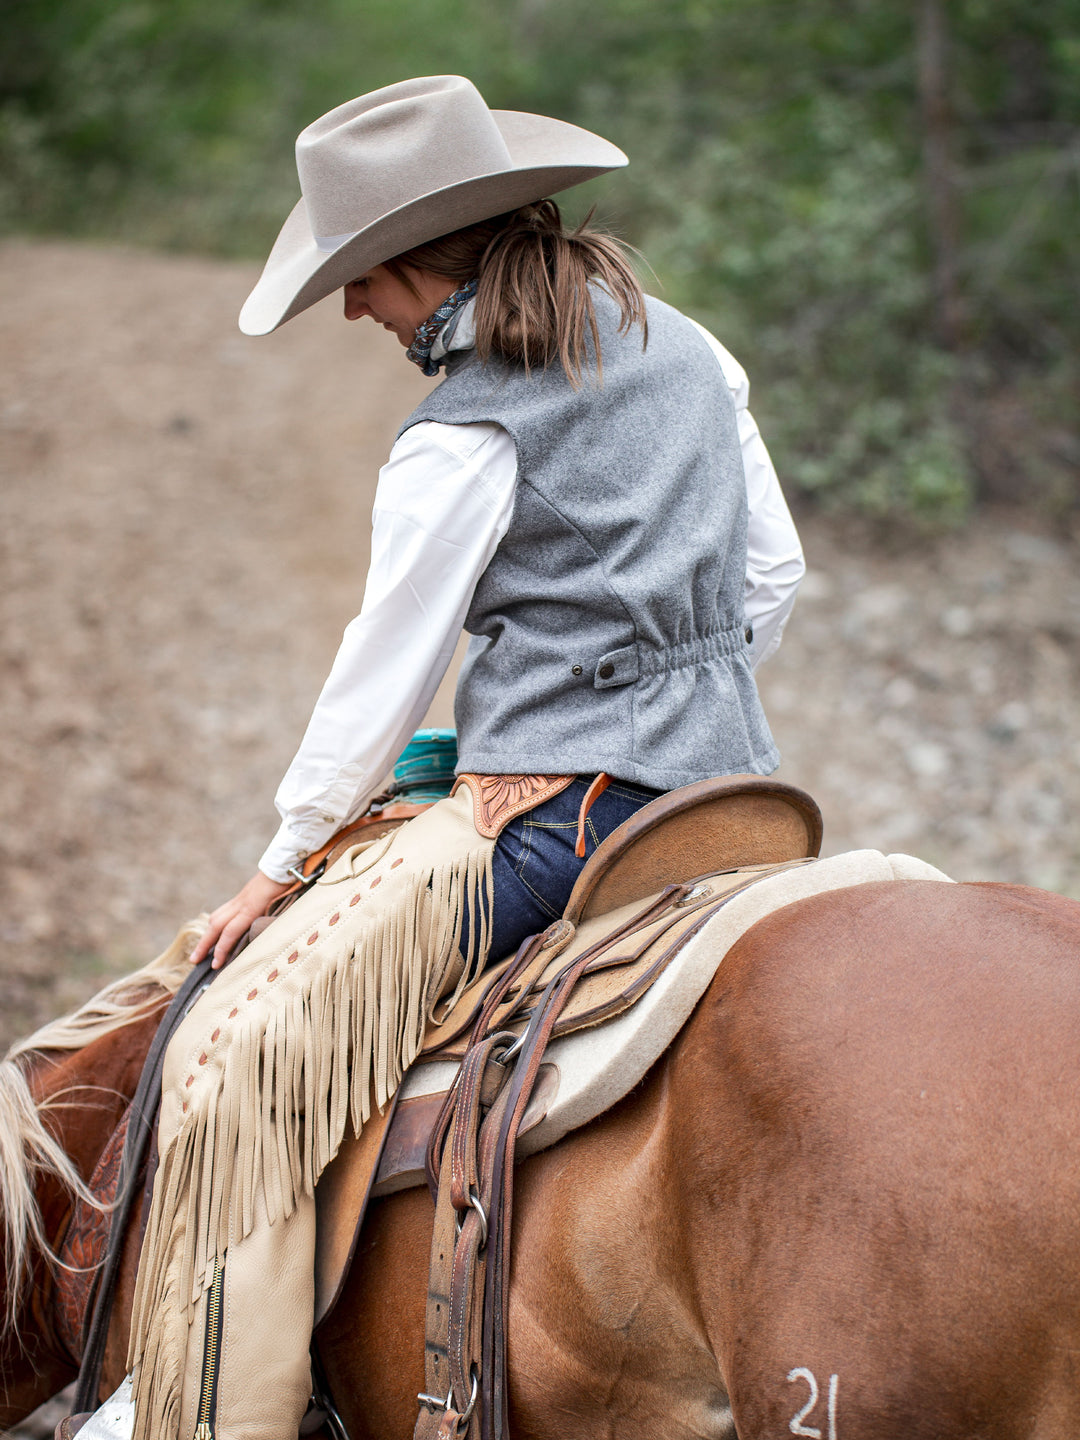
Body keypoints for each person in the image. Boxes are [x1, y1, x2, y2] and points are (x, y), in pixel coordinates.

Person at [118, 74, 803, 1440]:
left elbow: (383, 669)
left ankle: (207, 1412)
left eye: (355, 287)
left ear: (403, 261)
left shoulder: (462, 428)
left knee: (247, 1059)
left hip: (562, 825)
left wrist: (283, 862)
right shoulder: (693, 349)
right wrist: (657, 692)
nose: (360, 317)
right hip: (735, 791)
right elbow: (772, 580)